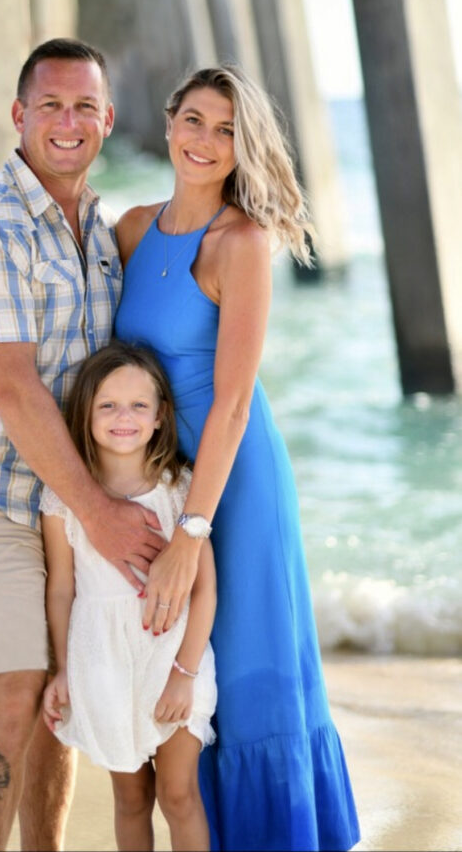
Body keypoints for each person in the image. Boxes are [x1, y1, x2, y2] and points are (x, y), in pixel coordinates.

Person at [0, 38, 165, 852]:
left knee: (59, 704)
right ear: (19, 116)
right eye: (51, 106)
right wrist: (99, 513)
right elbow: (14, 389)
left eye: (85, 107)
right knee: (14, 690)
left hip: (69, 503)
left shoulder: (102, 229)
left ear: (108, 119)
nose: (68, 122)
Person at [114, 64, 361, 851]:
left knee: (248, 674)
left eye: (226, 129)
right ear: (167, 123)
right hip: (160, 482)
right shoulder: (130, 229)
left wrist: (191, 533)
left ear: (242, 145)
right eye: (194, 120)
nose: (205, 141)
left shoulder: (241, 242)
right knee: (180, 682)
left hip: (236, 486)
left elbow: (229, 400)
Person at [40, 341, 217, 852]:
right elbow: (61, 589)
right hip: (102, 664)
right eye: (108, 405)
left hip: (173, 659)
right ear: (86, 414)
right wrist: (63, 668)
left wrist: (184, 674)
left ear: (161, 416)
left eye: (139, 405)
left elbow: (204, 589)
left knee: (179, 795)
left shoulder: (180, 490)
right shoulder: (62, 500)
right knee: (132, 799)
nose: (124, 417)